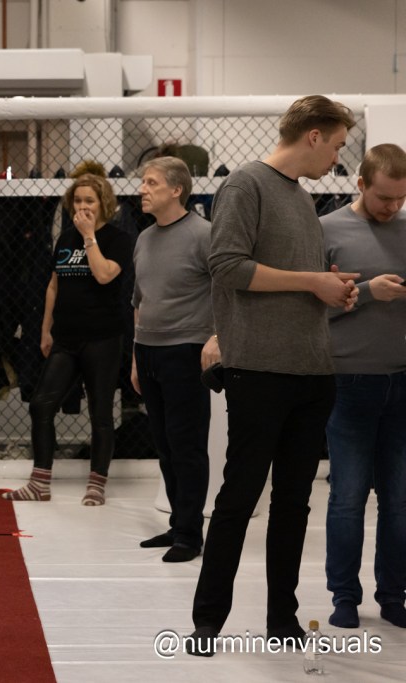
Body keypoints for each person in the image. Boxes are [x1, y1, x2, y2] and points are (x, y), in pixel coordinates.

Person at [186, 95, 359, 655]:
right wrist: (312, 282)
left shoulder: (300, 196)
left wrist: (330, 286)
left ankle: (281, 619)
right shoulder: (246, 185)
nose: (337, 157)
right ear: (313, 135)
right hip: (260, 370)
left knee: (293, 503)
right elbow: (227, 266)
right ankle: (208, 622)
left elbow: (291, 276)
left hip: (311, 368)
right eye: (336, 144)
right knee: (239, 497)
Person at [3, 173, 133, 505]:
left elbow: (104, 275)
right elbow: (53, 284)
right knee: (41, 404)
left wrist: (89, 236)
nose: (82, 206)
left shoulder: (118, 239)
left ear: (103, 203)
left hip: (103, 338)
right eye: (77, 200)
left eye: (89, 200)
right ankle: (39, 483)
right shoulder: (64, 238)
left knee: (101, 413)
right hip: (65, 338)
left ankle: (96, 484)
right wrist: (46, 329)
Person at [320, 143, 406, 630]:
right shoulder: (327, 230)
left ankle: (393, 596)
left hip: (402, 381)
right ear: (360, 185)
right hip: (349, 381)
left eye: (401, 199)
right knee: (348, 497)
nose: (392, 207)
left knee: (399, 500)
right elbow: (309, 308)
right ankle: (344, 597)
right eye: (383, 198)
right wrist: (370, 292)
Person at [130, 156, 218, 562]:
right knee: (164, 445)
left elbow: (228, 292)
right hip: (148, 351)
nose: (142, 189)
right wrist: (135, 357)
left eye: (151, 183)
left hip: (186, 351)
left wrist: (217, 338)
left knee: (187, 445)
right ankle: (178, 523)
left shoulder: (204, 234)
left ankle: (190, 535)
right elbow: (139, 301)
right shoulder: (144, 238)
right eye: (143, 182)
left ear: (177, 189)